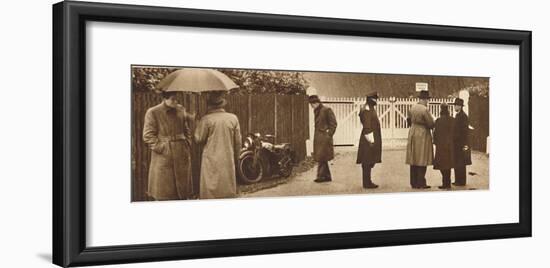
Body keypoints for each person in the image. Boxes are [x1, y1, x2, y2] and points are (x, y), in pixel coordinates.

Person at [142, 91, 195, 200]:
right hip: (164, 156)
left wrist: (187, 143)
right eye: (172, 99)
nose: (176, 101)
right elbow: (148, 136)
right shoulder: (153, 112)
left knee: (183, 191)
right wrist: (162, 148)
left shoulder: (181, 109)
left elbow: (186, 129)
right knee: (164, 192)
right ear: (165, 98)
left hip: (181, 153)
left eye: (177, 99)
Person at [194, 91, 242, 199]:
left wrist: (197, 124)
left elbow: (198, 139)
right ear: (222, 104)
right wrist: (236, 157)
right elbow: (238, 142)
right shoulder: (233, 118)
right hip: (227, 158)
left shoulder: (206, 119)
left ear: (209, 105)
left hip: (211, 160)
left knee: (210, 189)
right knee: (227, 187)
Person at [406, 90, 435, 189]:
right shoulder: (424, 110)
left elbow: (408, 120)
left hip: (413, 132)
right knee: (423, 158)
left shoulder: (412, 107)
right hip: (422, 134)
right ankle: (421, 182)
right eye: (427, 99)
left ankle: (413, 182)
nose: (427, 101)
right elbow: (431, 124)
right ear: (424, 99)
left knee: (413, 158)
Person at [356, 91, 382, 189]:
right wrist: (371, 141)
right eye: (375, 99)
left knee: (369, 160)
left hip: (370, 137)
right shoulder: (367, 110)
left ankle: (367, 181)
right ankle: (367, 183)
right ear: (371, 99)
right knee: (367, 160)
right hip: (369, 138)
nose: (376, 101)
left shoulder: (369, 108)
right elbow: (367, 126)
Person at [309, 95, 337, 183]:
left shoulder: (326, 110)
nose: (311, 106)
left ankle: (320, 176)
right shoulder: (317, 111)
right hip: (318, 137)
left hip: (324, 138)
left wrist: (329, 134)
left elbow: (334, 124)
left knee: (321, 156)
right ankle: (327, 176)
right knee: (322, 157)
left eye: (312, 104)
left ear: (316, 103)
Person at [433, 103, 455, 189]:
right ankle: (447, 183)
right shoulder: (452, 120)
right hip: (449, 145)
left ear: (441, 110)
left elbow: (435, 133)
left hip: (441, 146)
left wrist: (435, 142)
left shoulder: (438, 121)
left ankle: (445, 183)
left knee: (442, 165)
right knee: (448, 165)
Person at [452, 98, 472, 186]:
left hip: (460, 143)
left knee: (460, 162)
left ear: (460, 106)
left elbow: (464, 131)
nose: (455, 107)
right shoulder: (459, 115)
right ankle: (459, 180)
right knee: (458, 162)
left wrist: (463, 143)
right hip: (458, 142)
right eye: (455, 105)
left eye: (456, 105)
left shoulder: (462, 116)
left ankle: (460, 181)